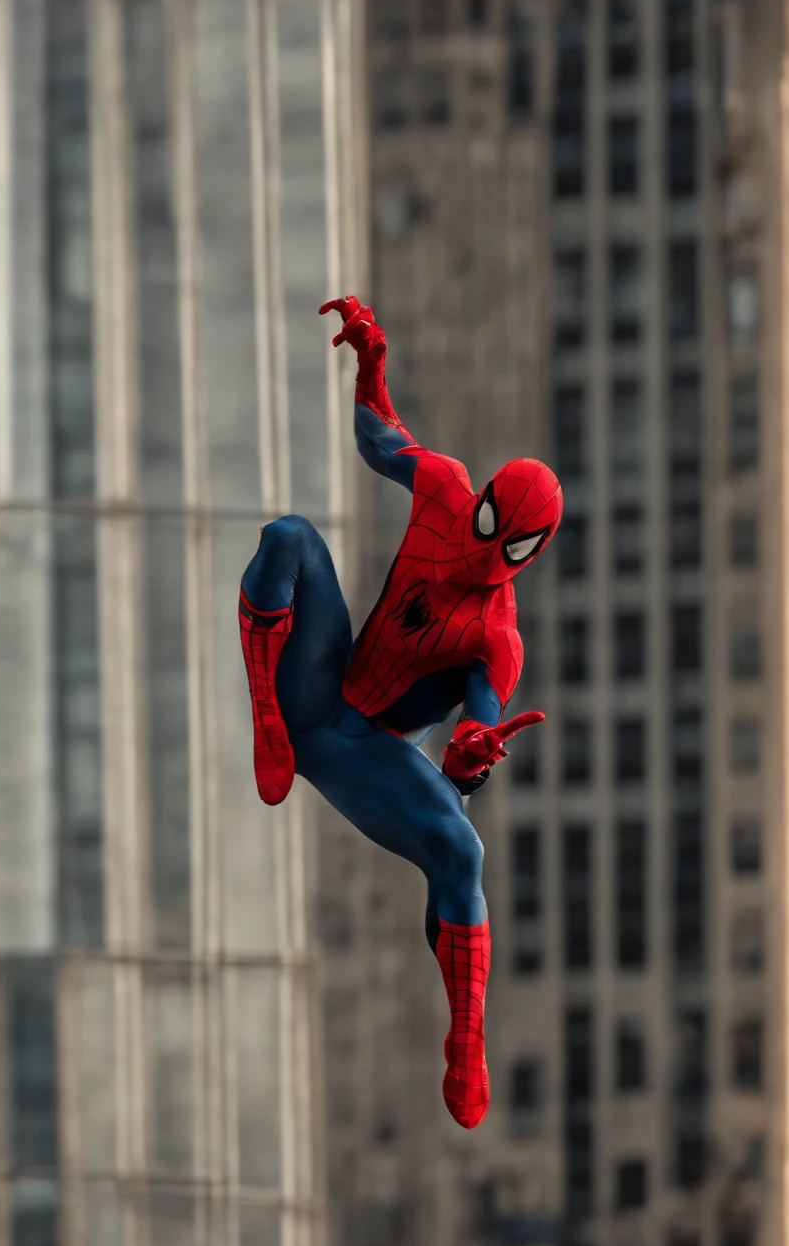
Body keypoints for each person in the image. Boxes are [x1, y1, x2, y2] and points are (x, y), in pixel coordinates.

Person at [237, 295, 562, 1128]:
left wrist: (473, 753)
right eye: (492, 523)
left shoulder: (497, 636)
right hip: (318, 689)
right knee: (288, 535)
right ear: (482, 497)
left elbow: (475, 727)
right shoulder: (447, 492)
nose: (489, 548)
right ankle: (264, 725)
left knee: (460, 846)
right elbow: (383, 440)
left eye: (512, 545)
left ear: (531, 555)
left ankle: (466, 1039)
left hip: (367, 749)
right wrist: (372, 368)